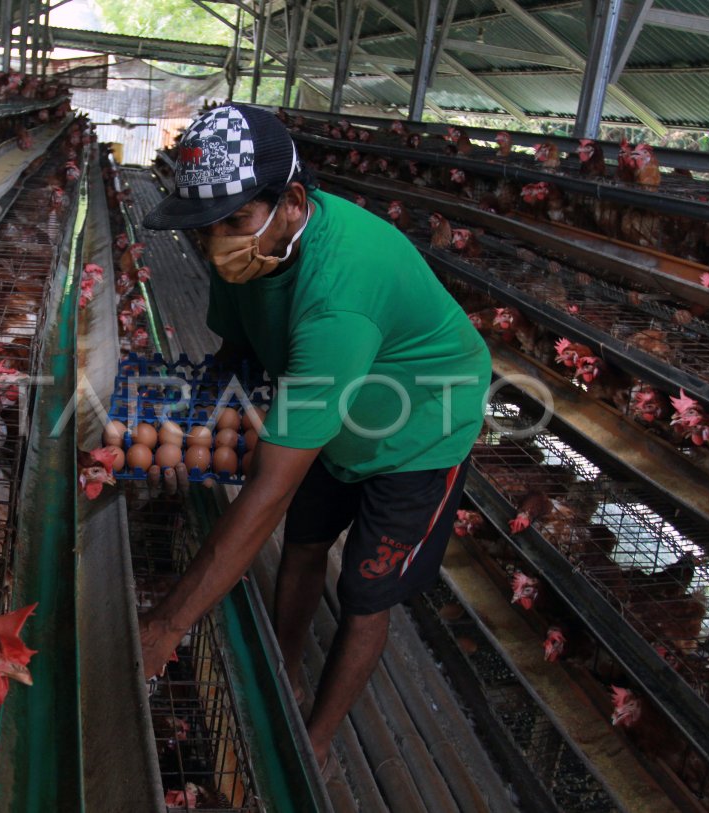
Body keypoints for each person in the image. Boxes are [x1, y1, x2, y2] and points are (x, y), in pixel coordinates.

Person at [138, 104, 491, 772]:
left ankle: (320, 737)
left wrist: (166, 623)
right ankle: (286, 670)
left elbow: (270, 488)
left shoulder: (338, 298)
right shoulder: (244, 247)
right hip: (334, 405)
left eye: (234, 223)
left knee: (364, 590)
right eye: (206, 228)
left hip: (419, 428)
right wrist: (184, 431)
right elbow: (235, 351)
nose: (216, 244)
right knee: (301, 547)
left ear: (293, 202)